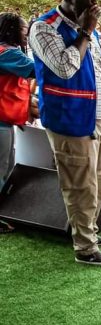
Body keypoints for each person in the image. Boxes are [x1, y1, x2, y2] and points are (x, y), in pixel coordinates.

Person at [29, 0, 101, 266]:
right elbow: (66, 68)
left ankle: (89, 231)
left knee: (97, 180)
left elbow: (98, 72)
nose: (92, 4)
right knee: (80, 184)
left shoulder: (85, 29)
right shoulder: (44, 28)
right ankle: (85, 248)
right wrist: (85, 30)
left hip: (98, 115)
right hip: (70, 117)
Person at [0, 12, 34, 233]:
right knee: (1, 169)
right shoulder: (7, 53)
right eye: (23, 30)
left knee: (6, 168)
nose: (26, 35)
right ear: (12, 31)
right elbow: (38, 70)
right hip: (1, 122)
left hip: (5, 121)